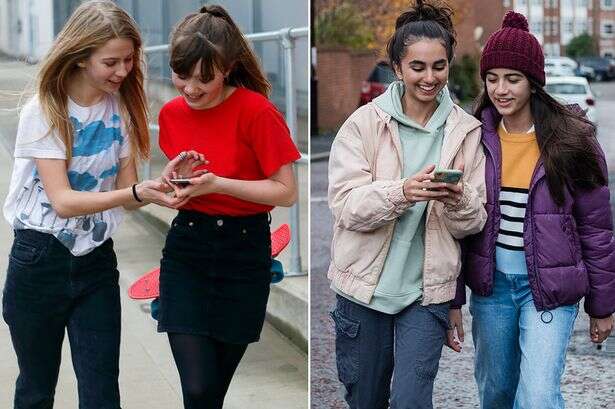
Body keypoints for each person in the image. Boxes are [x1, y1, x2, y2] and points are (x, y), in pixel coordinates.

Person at [0, 2, 195, 408]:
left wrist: (161, 185)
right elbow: (64, 202)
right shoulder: (46, 111)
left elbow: (128, 193)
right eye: (111, 61)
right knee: (36, 389)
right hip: (39, 260)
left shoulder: (120, 108)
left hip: (95, 263)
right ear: (80, 57)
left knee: (102, 391)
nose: (122, 71)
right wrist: (136, 193)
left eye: (128, 60)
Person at [451, 11, 615, 409]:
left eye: (513, 79)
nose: (500, 89)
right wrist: (454, 299)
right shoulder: (471, 137)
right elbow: (452, 224)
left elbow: (597, 229)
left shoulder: (572, 140)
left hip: (549, 291)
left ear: (533, 81)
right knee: (496, 394)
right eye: (492, 79)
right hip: (492, 291)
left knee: (539, 397)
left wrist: (602, 306)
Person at [326, 1, 487, 407]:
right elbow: (345, 207)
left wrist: (458, 198)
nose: (429, 77)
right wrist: (402, 192)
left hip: (426, 293)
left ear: (449, 65)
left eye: (439, 66)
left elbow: (474, 220)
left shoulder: (467, 131)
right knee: (366, 399)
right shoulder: (362, 124)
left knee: (412, 401)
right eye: (418, 67)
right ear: (397, 68)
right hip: (363, 290)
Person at [153, 5, 300, 409]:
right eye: (181, 75)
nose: (190, 89)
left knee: (211, 393)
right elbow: (176, 193)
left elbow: (286, 192)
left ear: (228, 67)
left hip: (244, 252)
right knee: (197, 389)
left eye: (205, 78)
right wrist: (173, 186)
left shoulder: (257, 112)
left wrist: (218, 184)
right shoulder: (169, 114)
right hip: (188, 249)